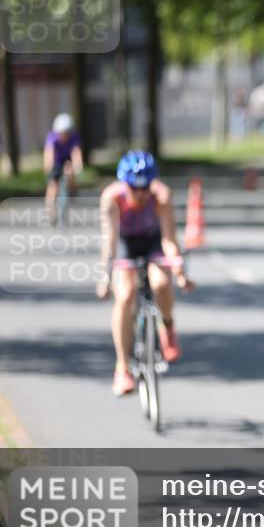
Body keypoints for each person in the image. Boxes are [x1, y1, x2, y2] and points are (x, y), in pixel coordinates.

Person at [96, 151, 195, 396]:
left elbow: (170, 239)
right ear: (124, 183)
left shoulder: (161, 196)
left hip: (152, 242)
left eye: (145, 188)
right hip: (125, 244)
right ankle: (122, 368)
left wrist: (180, 271)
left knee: (161, 283)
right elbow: (109, 243)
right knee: (125, 295)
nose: (140, 194)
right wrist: (105, 277)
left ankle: (167, 327)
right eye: (133, 188)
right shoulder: (112, 198)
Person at [43, 113, 83, 222]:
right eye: (61, 133)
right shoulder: (52, 138)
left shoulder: (74, 138)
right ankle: (50, 211)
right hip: (56, 162)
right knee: (53, 186)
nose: (64, 135)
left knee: (70, 172)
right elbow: (48, 154)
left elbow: (76, 153)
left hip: (67, 161)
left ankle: (73, 189)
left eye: (66, 133)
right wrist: (48, 166)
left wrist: (78, 165)